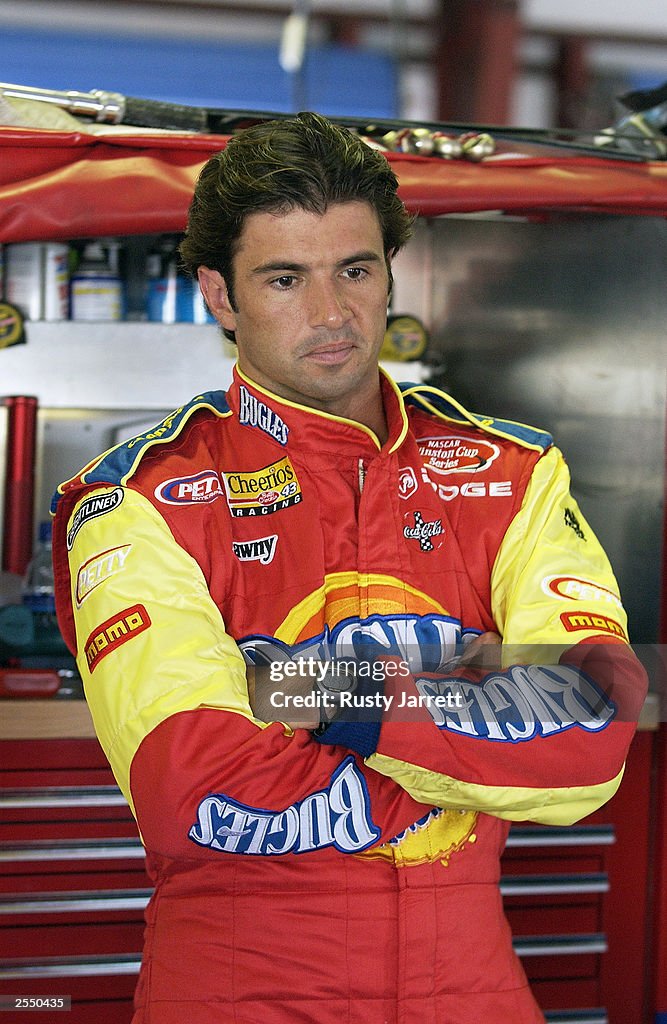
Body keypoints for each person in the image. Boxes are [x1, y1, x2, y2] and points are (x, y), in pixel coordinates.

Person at [51, 111, 647, 1024]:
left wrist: (301, 690)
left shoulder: (510, 471)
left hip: (473, 987)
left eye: (355, 271)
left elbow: (593, 735)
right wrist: (477, 679)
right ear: (219, 295)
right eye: (284, 279)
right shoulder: (140, 498)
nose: (331, 315)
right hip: (239, 990)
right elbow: (192, 790)